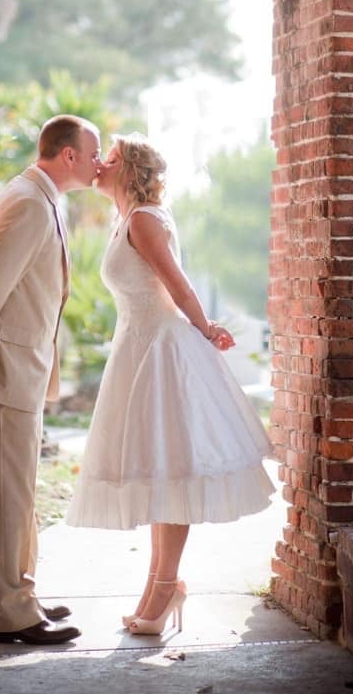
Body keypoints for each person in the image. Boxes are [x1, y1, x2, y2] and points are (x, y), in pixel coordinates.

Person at [66, 133, 275, 635]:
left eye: (108, 159)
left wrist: (206, 329)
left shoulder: (143, 219)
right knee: (159, 473)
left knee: (173, 473)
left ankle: (166, 586)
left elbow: (177, 283)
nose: (98, 165)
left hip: (162, 353)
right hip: (136, 350)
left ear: (130, 170)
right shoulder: (127, 220)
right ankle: (160, 586)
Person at [0, 114, 101, 645]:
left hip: (20, 369)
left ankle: (16, 598)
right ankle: (14, 612)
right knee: (6, 495)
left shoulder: (42, 198)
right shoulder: (25, 202)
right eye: (93, 152)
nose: (98, 161)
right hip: (2, 370)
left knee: (17, 492)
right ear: (68, 155)